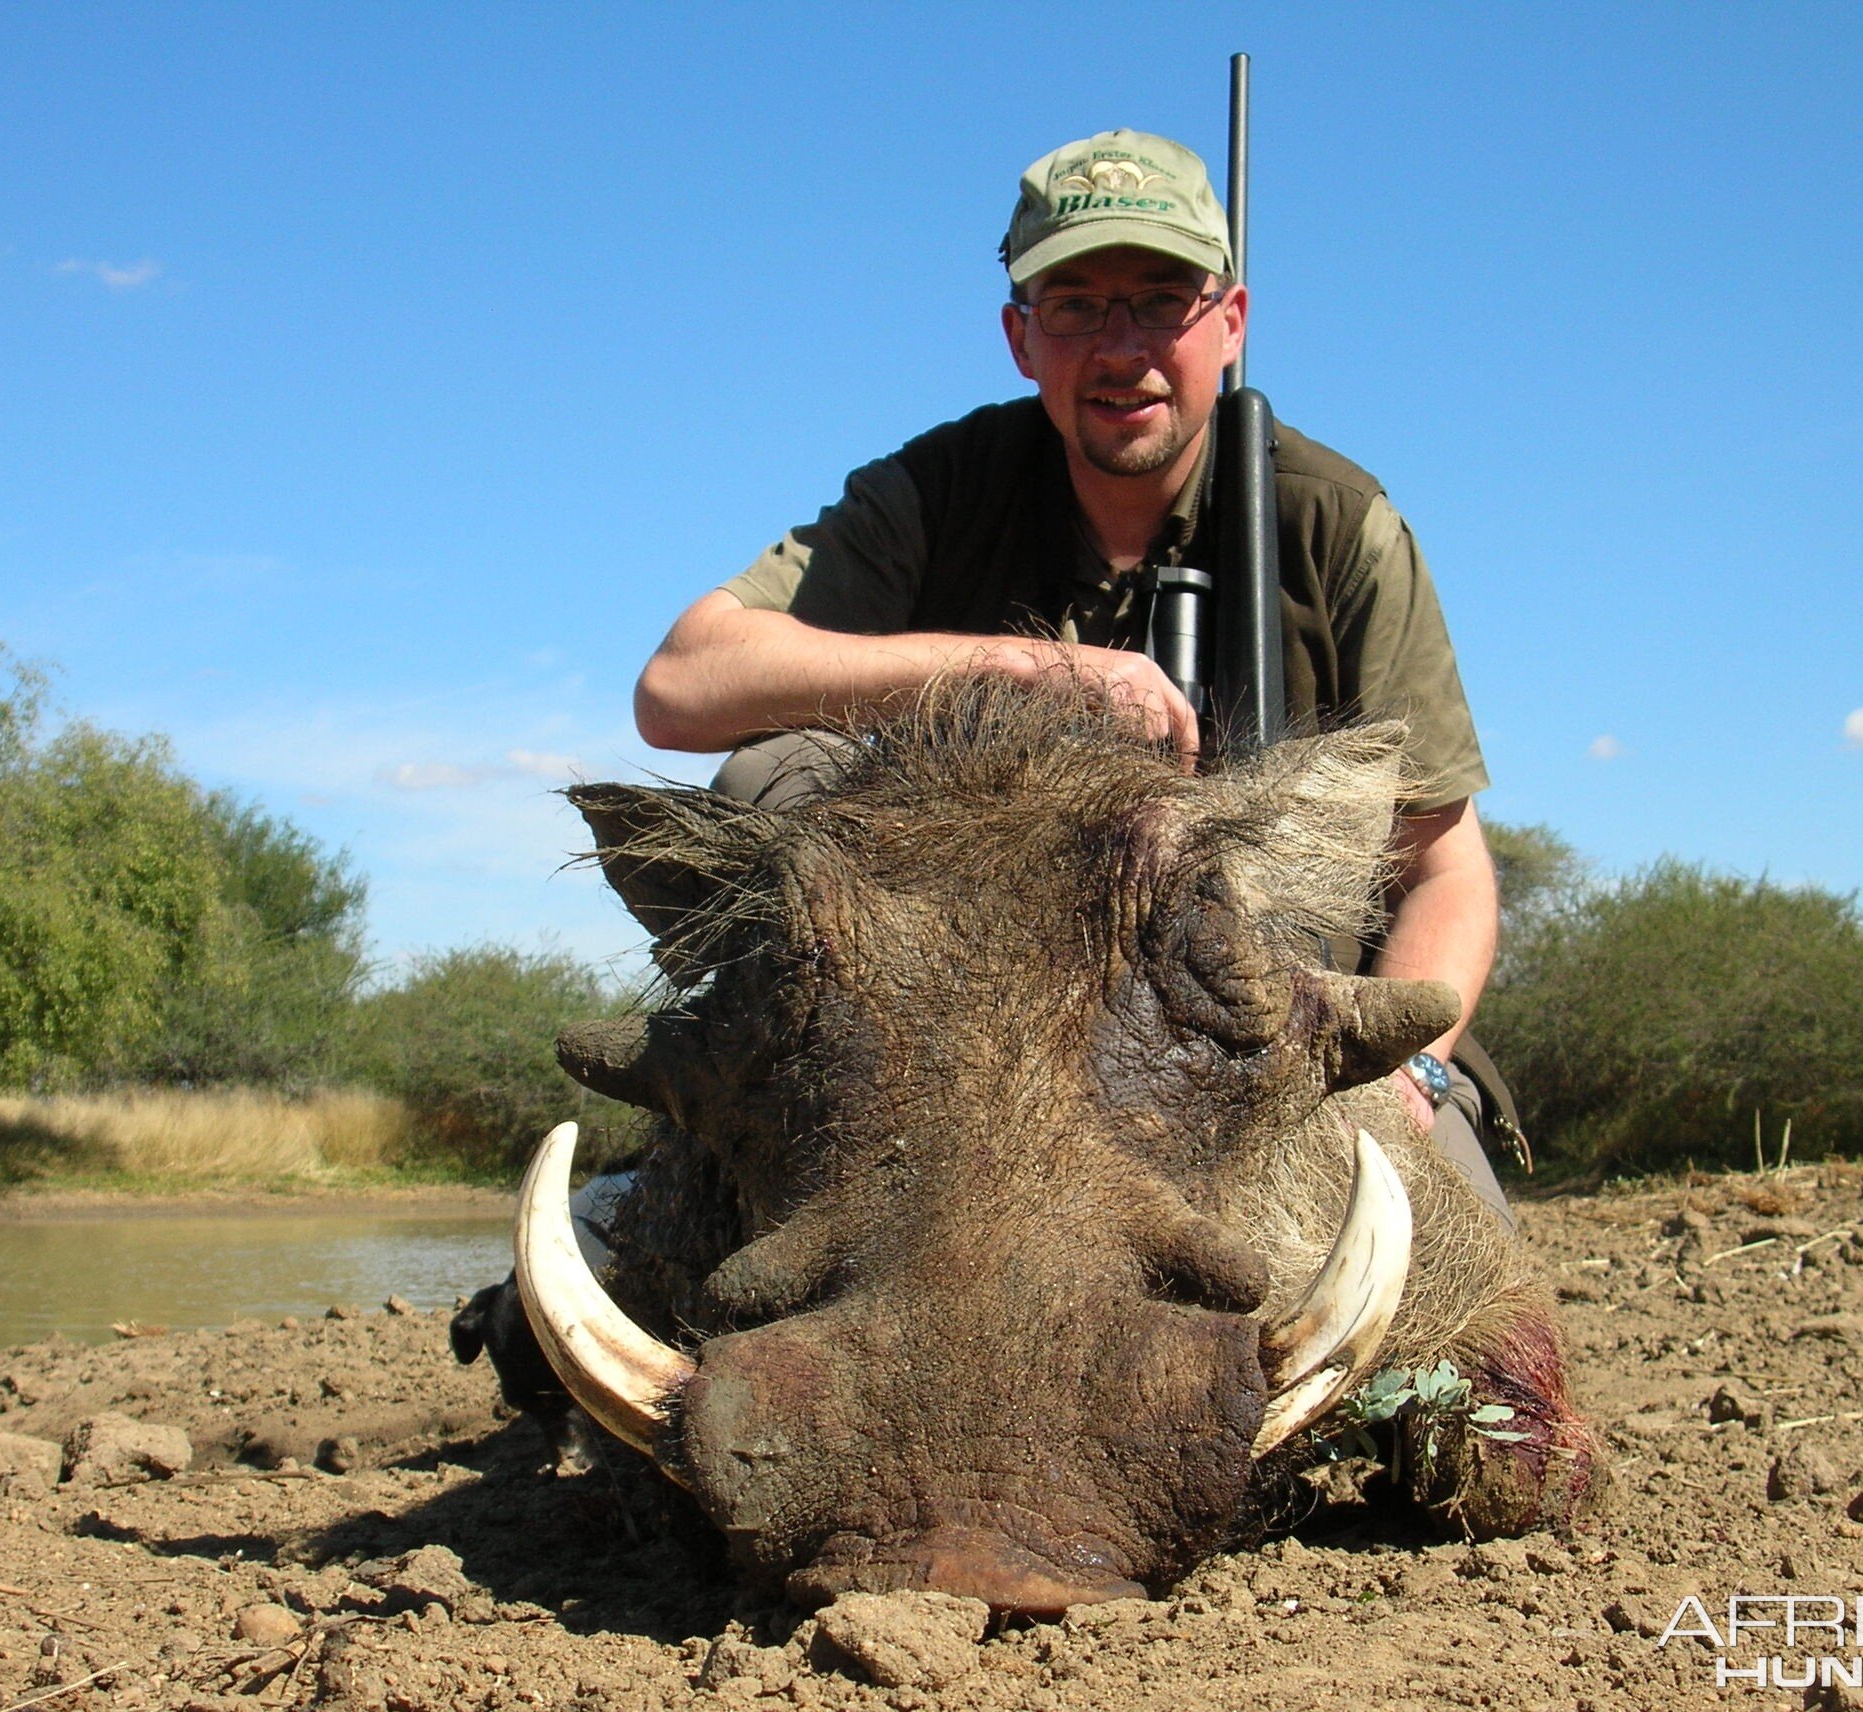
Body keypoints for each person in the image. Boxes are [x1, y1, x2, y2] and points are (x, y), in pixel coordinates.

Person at [632, 129, 1513, 1226]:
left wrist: (1402, 1083)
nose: (1121, 346)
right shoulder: (937, 490)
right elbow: (679, 683)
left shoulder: (1337, 525)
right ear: (1019, 337)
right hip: (960, 1048)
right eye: (1075, 304)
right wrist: (1015, 669)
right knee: (780, 764)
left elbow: (1445, 872)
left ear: (1228, 322)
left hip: (1281, 1029)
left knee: (1474, 1339)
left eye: (1160, 300)